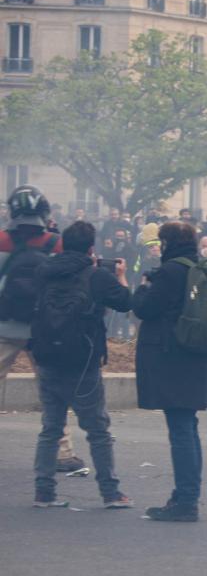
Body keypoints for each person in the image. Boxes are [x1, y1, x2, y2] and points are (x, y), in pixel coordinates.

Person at [28, 221, 133, 509]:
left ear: (63, 244)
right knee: (98, 430)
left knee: (51, 428)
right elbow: (126, 302)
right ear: (90, 247)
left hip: (47, 357)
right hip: (83, 362)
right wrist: (120, 275)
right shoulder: (96, 275)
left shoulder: (44, 272)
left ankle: (44, 493)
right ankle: (111, 492)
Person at [131, 221, 207, 522]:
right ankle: (186, 495)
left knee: (180, 428)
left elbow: (145, 308)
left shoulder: (170, 272)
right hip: (195, 356)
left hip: (172, 357)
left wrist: (143, 287)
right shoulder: (201, 268)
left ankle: (186, 501)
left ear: (168, 244)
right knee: (187, 425)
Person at [1, 186, 87, 472]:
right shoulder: (56, 243)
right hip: (45, 330)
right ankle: (63, 454)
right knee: (53, 393)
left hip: (4, 326)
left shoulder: (2, 240)